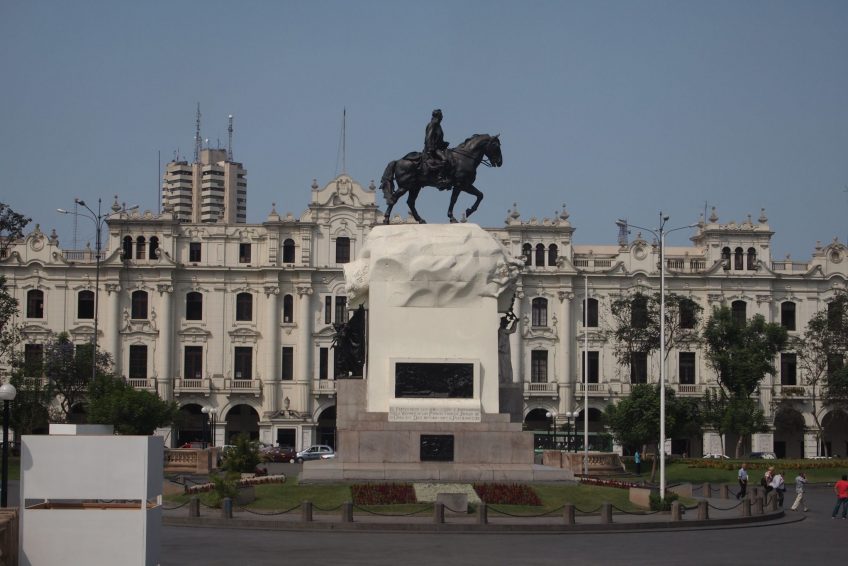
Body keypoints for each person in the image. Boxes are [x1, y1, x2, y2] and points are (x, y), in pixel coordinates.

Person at [424, 108, 451, 183]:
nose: (442, 117)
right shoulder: (433, 124)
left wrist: (444, 143)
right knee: (445, 159)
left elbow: (437, 139)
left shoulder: (438, 125)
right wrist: (430, 148)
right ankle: (440, 177)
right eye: (441, 115)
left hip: (437, 148)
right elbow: (428, 137)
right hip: (433, 149)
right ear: (438, 116)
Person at [497, 312, 518, 384]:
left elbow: (511, 330)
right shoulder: (502, 331)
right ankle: (505, 380)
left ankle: (505, 379)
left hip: (503, 351)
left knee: (504, 366)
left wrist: (514, 322)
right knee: (505, 367)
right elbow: (513, 330)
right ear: (504, 324)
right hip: (503, 352)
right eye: (506, 324)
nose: (506, 325)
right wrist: (515, 322)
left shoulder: (500, 330)